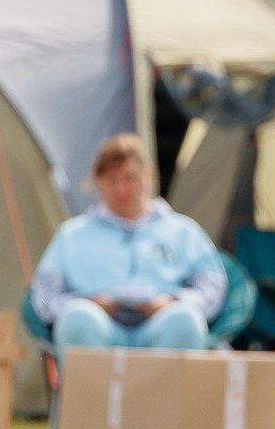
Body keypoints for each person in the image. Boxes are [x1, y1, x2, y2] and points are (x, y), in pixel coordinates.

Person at [30, 134, 226, 350]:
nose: (121, 189)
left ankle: (167, 384)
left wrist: (174, 302)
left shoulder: (184, 231)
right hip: (97, 328)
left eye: (129, 178)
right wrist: (85, 304)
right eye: (111, 179)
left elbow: (213, 287)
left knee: (185, 320)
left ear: (148, 174)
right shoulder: (71, 235)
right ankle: (92, 383)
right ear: (98, 181)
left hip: (162, 324)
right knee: (78, 319)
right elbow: (44, 296)